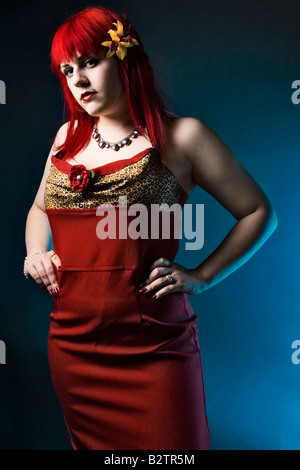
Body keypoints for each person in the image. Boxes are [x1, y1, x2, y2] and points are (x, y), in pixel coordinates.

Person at [24, 6, 277, 451]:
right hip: (74, 347)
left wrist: (202, 276)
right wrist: (36, 253)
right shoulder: (67, 138)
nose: (78, 81)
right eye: (67, 71)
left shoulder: (183, 138)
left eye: (89, 62)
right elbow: (40, 209)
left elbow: (258, 212)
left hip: (155, 347)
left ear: (124, 58)